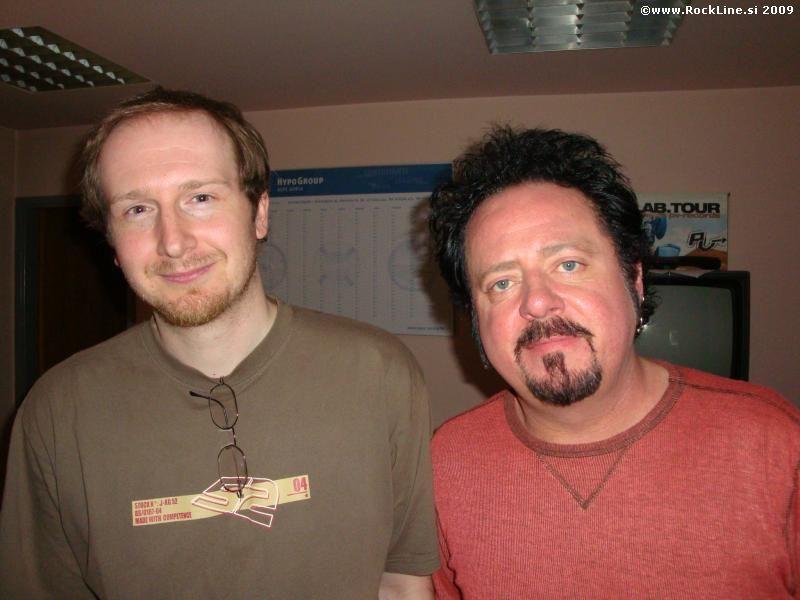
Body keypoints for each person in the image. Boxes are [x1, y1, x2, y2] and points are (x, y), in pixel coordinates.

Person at [0, 88, 438, 598]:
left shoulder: (379, 373)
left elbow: (401, 584)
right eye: (137, 209)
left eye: (200, 198)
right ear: (112, 244)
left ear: (259, 213)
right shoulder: (56, 411)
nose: (173, 241)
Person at [427, 126, 799, 598]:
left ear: (634, 281)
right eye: (501, 283)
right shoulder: (445, 462)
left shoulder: (774, 443)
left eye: (568, 264)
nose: (536, 302)